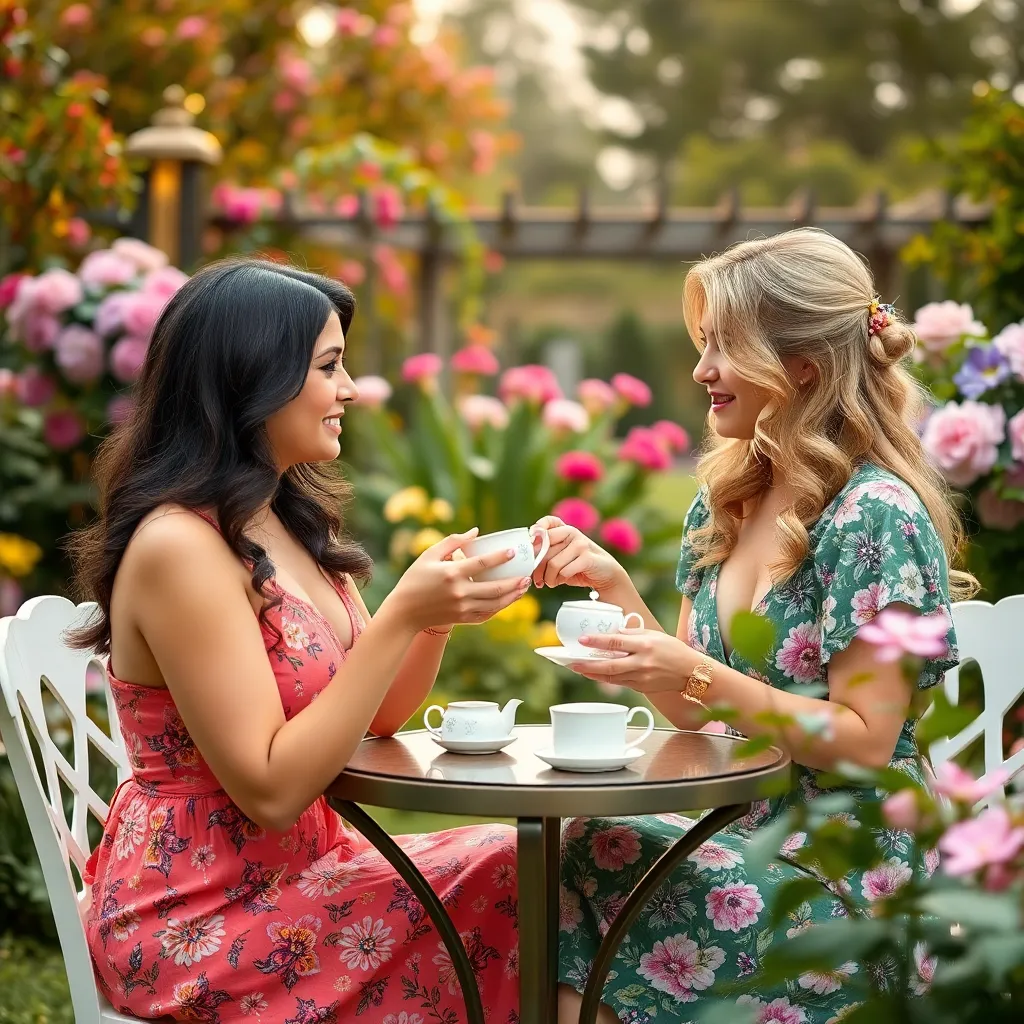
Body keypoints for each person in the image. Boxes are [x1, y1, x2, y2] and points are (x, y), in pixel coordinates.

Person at [70, 258, 524, 1022]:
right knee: (522, 874)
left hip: (308, 877)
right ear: (253, 379)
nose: (348, 390)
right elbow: (274, 790)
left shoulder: (282, 519)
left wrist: (436, 613)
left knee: (558, 864)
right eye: (329, 366)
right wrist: (403, 616)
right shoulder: (181, 546)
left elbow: (379, 718)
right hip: (203, 917)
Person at [539, 228, 974, 1024]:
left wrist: (689, 671)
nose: (701, 371)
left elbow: (867, 738)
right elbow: (694, 708)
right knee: (564, 859)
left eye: (723, 348)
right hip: (735, 821)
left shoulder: (873, 514)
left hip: (844, 860)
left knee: (590, 860)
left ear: (802, 364)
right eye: (702, 345)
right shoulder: (728, 497)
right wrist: (614, 587)